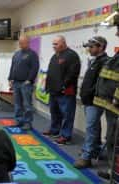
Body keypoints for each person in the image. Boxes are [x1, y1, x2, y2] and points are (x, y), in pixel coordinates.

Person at [73, 36, 109, 168]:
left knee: (90, 128)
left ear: (101, 47)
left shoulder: (105, 62)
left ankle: (86, 157)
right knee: (95, 126)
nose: (89, 49)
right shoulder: (94, 61)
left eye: (92, 46)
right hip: (88, 100)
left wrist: (90, 95)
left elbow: (100, 84)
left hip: (95, 101)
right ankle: (95, 149)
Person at [92, 14, 119, 180]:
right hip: (110, 106)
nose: (116, 34)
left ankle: (114, 172)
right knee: (111, 139)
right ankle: (113, 170)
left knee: (113, 140)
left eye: (117, 29)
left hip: (116, 107)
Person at [43, 35, 81, 145]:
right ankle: (54, 131)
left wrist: (64, 86)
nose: (53, 46)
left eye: (56, 44)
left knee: (67, 114)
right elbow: (50, 73)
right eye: (53, 44)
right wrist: (47, 87)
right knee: (54, 112)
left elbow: (73, 73)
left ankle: (66, 136)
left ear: (63, 43)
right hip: (53, 90)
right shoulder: (55, 56)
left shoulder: (71, 55)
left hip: (66, 92)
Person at [8, 35, 39, 130]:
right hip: (16, 82)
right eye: (19, 42)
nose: (20, 44)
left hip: (26, 84)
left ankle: (27, 123)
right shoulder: (16, 54)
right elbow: (12, 67)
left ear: (28, 42)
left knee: (27, 104)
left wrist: (29, 80)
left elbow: (35, 68)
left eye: (22, 42)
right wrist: (10, 78)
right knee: (17, 104)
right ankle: (19, 121)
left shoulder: (32, 54)